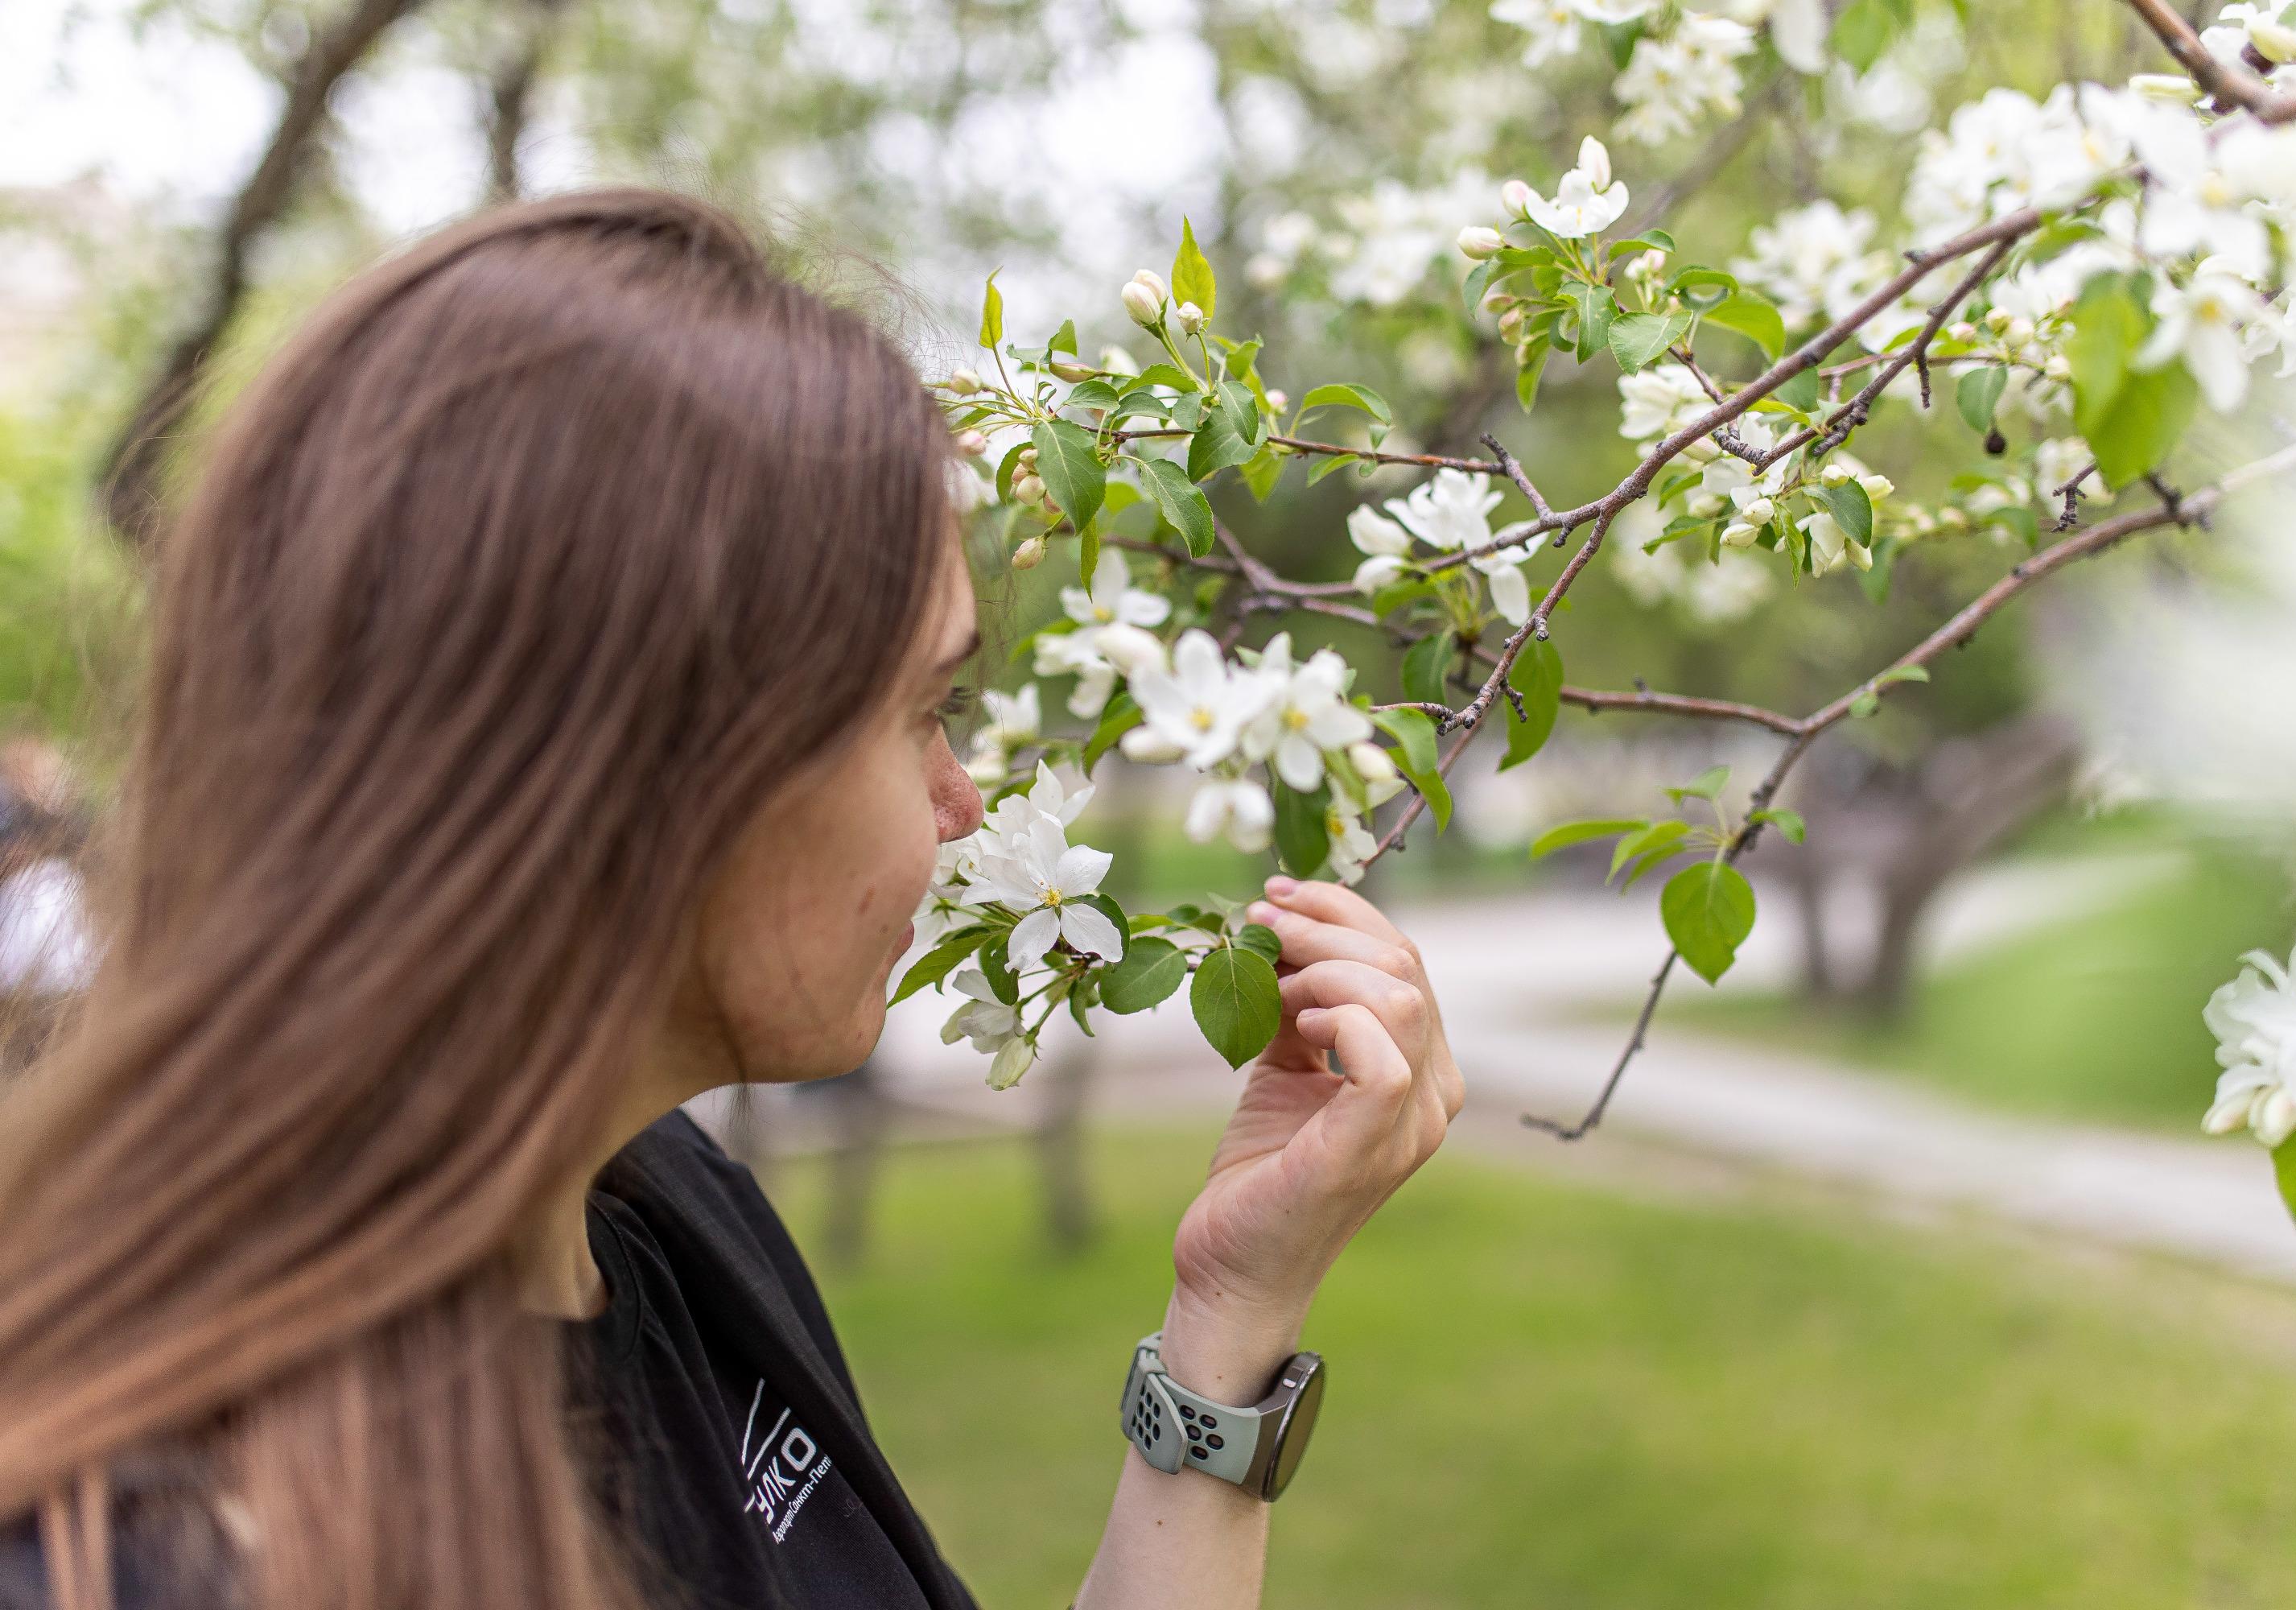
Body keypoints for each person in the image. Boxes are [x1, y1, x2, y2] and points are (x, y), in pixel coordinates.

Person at [0, 190, 1465, 1610]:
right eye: (924, 710)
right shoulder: (151, 1555)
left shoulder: (669, 1217)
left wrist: (1230, 1317)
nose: (964, 807)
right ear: (646, 775)